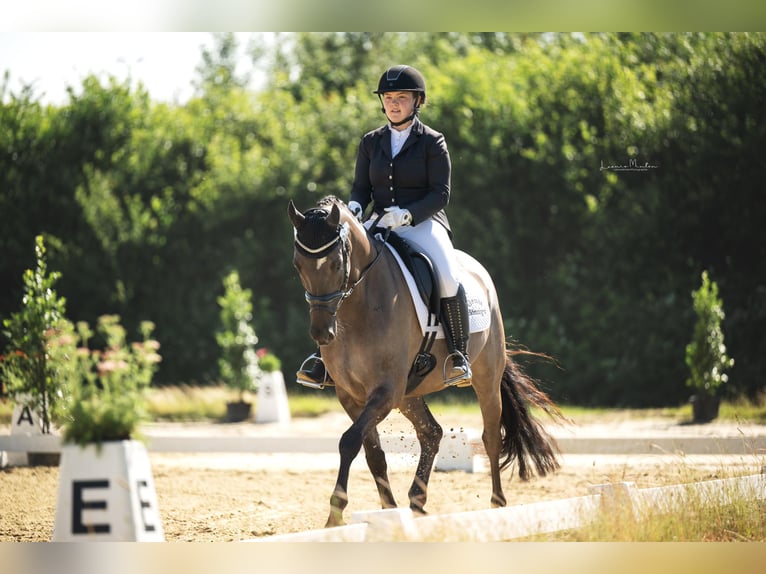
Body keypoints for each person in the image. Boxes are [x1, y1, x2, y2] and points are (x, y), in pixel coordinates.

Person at [297, 64, 472, 388]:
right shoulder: (371, 142)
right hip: (377, 223)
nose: (393, 104)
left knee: (447, 275)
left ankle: (458, 355)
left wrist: (407, 215)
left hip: (422, 223)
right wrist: (354, 208)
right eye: (388, 98)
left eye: (401, 97)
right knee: (340, 270)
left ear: (417, 100)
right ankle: (322, 359)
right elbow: (361, 187)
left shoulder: (433, 142)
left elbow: (441, 194)